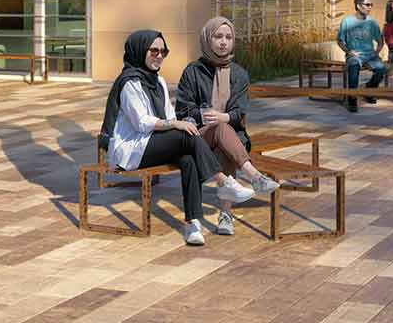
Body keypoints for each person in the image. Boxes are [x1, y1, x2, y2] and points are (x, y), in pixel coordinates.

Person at [102, 29, 232, 246]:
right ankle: (222, 181)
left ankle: (192, 222)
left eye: (163, 51)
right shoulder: (129, 83)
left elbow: (170, 116)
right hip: (132, 150)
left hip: (155, 145)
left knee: (188, 158)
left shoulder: (159, 81)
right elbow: (142, 123)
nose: (159, 56)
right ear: (139, 51)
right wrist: (177, 125)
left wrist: (186, 124)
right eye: (154, 51)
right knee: (186, 139)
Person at [172, 14, 280, 235]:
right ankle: (254, 178)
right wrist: (207, 116)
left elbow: (239, 110)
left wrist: (224, 118)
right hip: (197, 136)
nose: (223, 42)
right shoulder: (193, 71)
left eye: (228, 37)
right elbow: (182, 109)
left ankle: (226, 213)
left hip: (228, 134)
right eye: (218, 36)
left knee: (226, 136)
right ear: (207, 39)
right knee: (223, 131)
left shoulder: (239, 74)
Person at [336, 0, 388, 112]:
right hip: (355, 55)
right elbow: (340, 41)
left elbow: (380, 41)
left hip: (370, 55)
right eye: (367, 5)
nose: (370, 7)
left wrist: (376, 52)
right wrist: (349, 52)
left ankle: (369, 89)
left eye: (371, 5)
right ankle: (352, 98)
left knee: (381, 69)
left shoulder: (372, 22)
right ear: (358, 6)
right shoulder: (347, 21)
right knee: (353, 66)